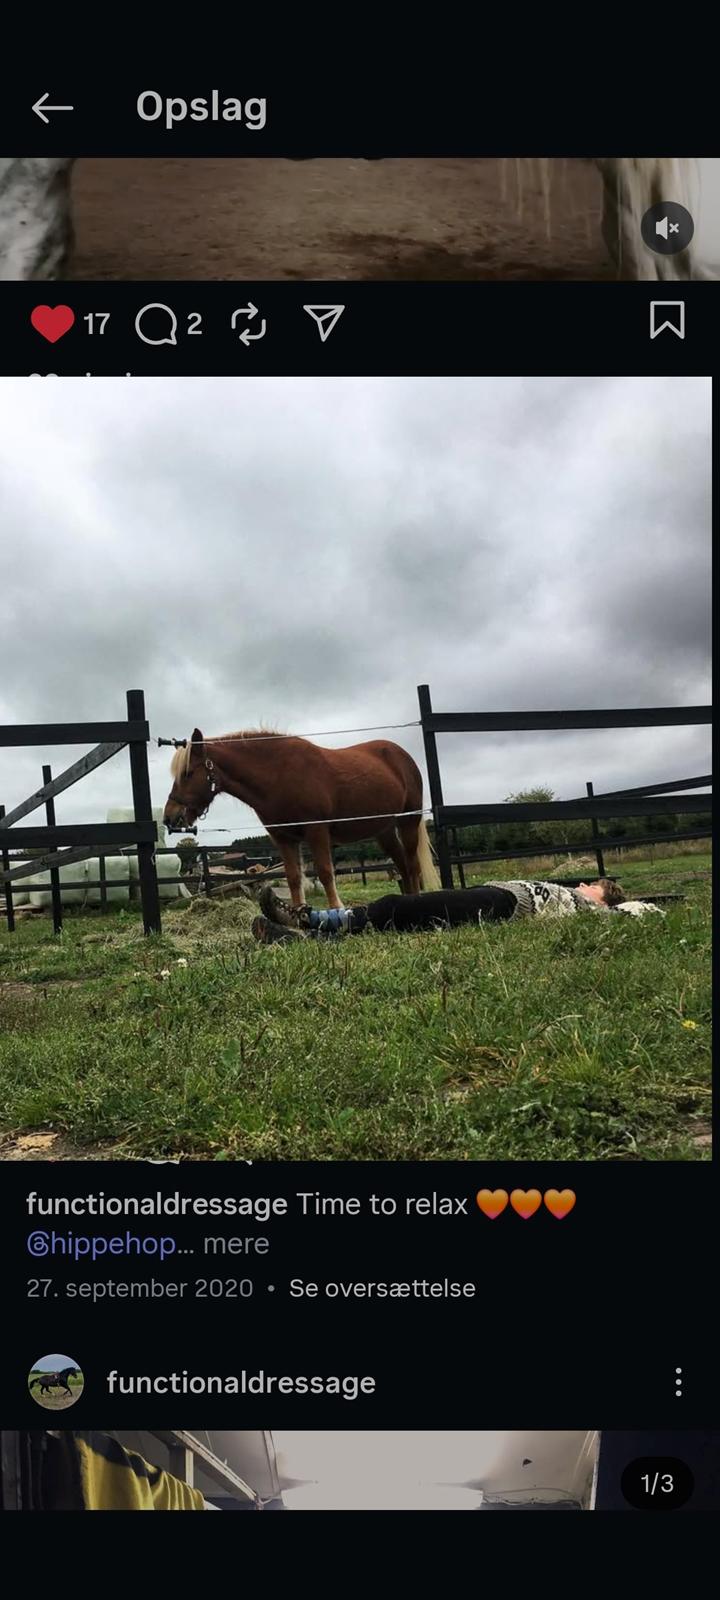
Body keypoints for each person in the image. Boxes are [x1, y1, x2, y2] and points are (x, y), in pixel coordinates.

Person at [251, 876, 665, 943]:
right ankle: (310, 937)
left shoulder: (593, 910)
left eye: (591, 886)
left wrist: (629, 904)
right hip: (495, 895)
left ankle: (311, 920)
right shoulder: (575, 900)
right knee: (411, 919)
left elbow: (642, 910)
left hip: (505, 904)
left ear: (602, 898)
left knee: (399, 906)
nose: (581, 885)